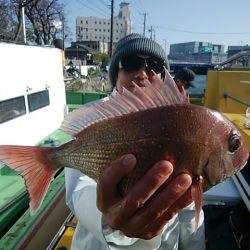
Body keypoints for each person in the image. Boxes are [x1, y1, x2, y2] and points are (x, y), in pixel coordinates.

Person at [65, 33, 205, 250]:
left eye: (154, 65)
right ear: (115, 72)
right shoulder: (93, 119)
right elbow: (79, 190)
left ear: (163, 75)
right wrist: (110, 219)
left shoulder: (180, 121)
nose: (142, 73)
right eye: (131, 63)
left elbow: (189, 207)